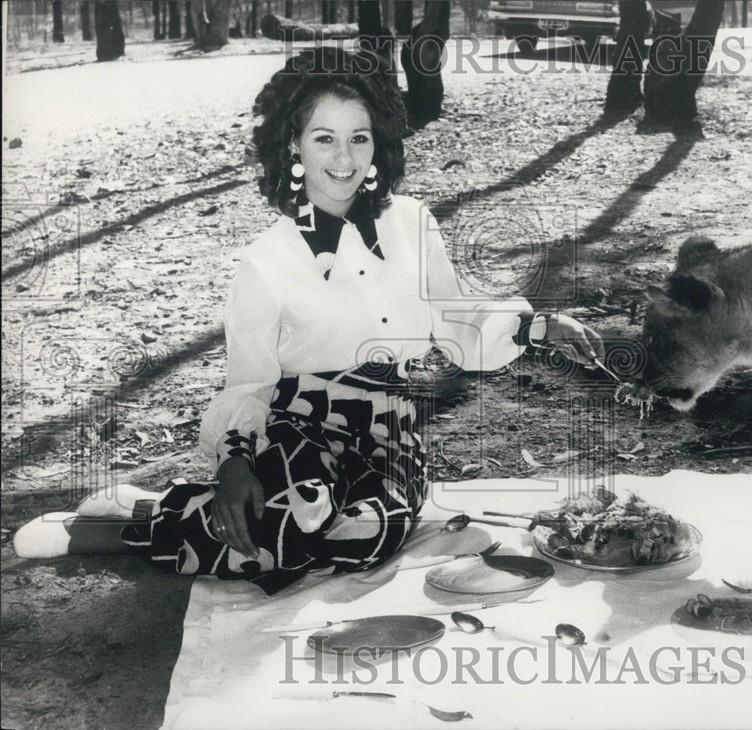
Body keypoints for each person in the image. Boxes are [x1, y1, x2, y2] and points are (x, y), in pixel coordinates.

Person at [13, 46, 605, 594]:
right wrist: (236, 463)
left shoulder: (412, 223)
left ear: (379, 145)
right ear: (293, 144)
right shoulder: (265, 264)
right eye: (324, 138)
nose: (344, 159)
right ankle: (119, 529)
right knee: (286, 531)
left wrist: (539, 327)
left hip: (388, 428)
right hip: (296, 425)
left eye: (359, 138)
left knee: (371, 535)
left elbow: (454, 322)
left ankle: (154, 504)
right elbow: (249, 384)